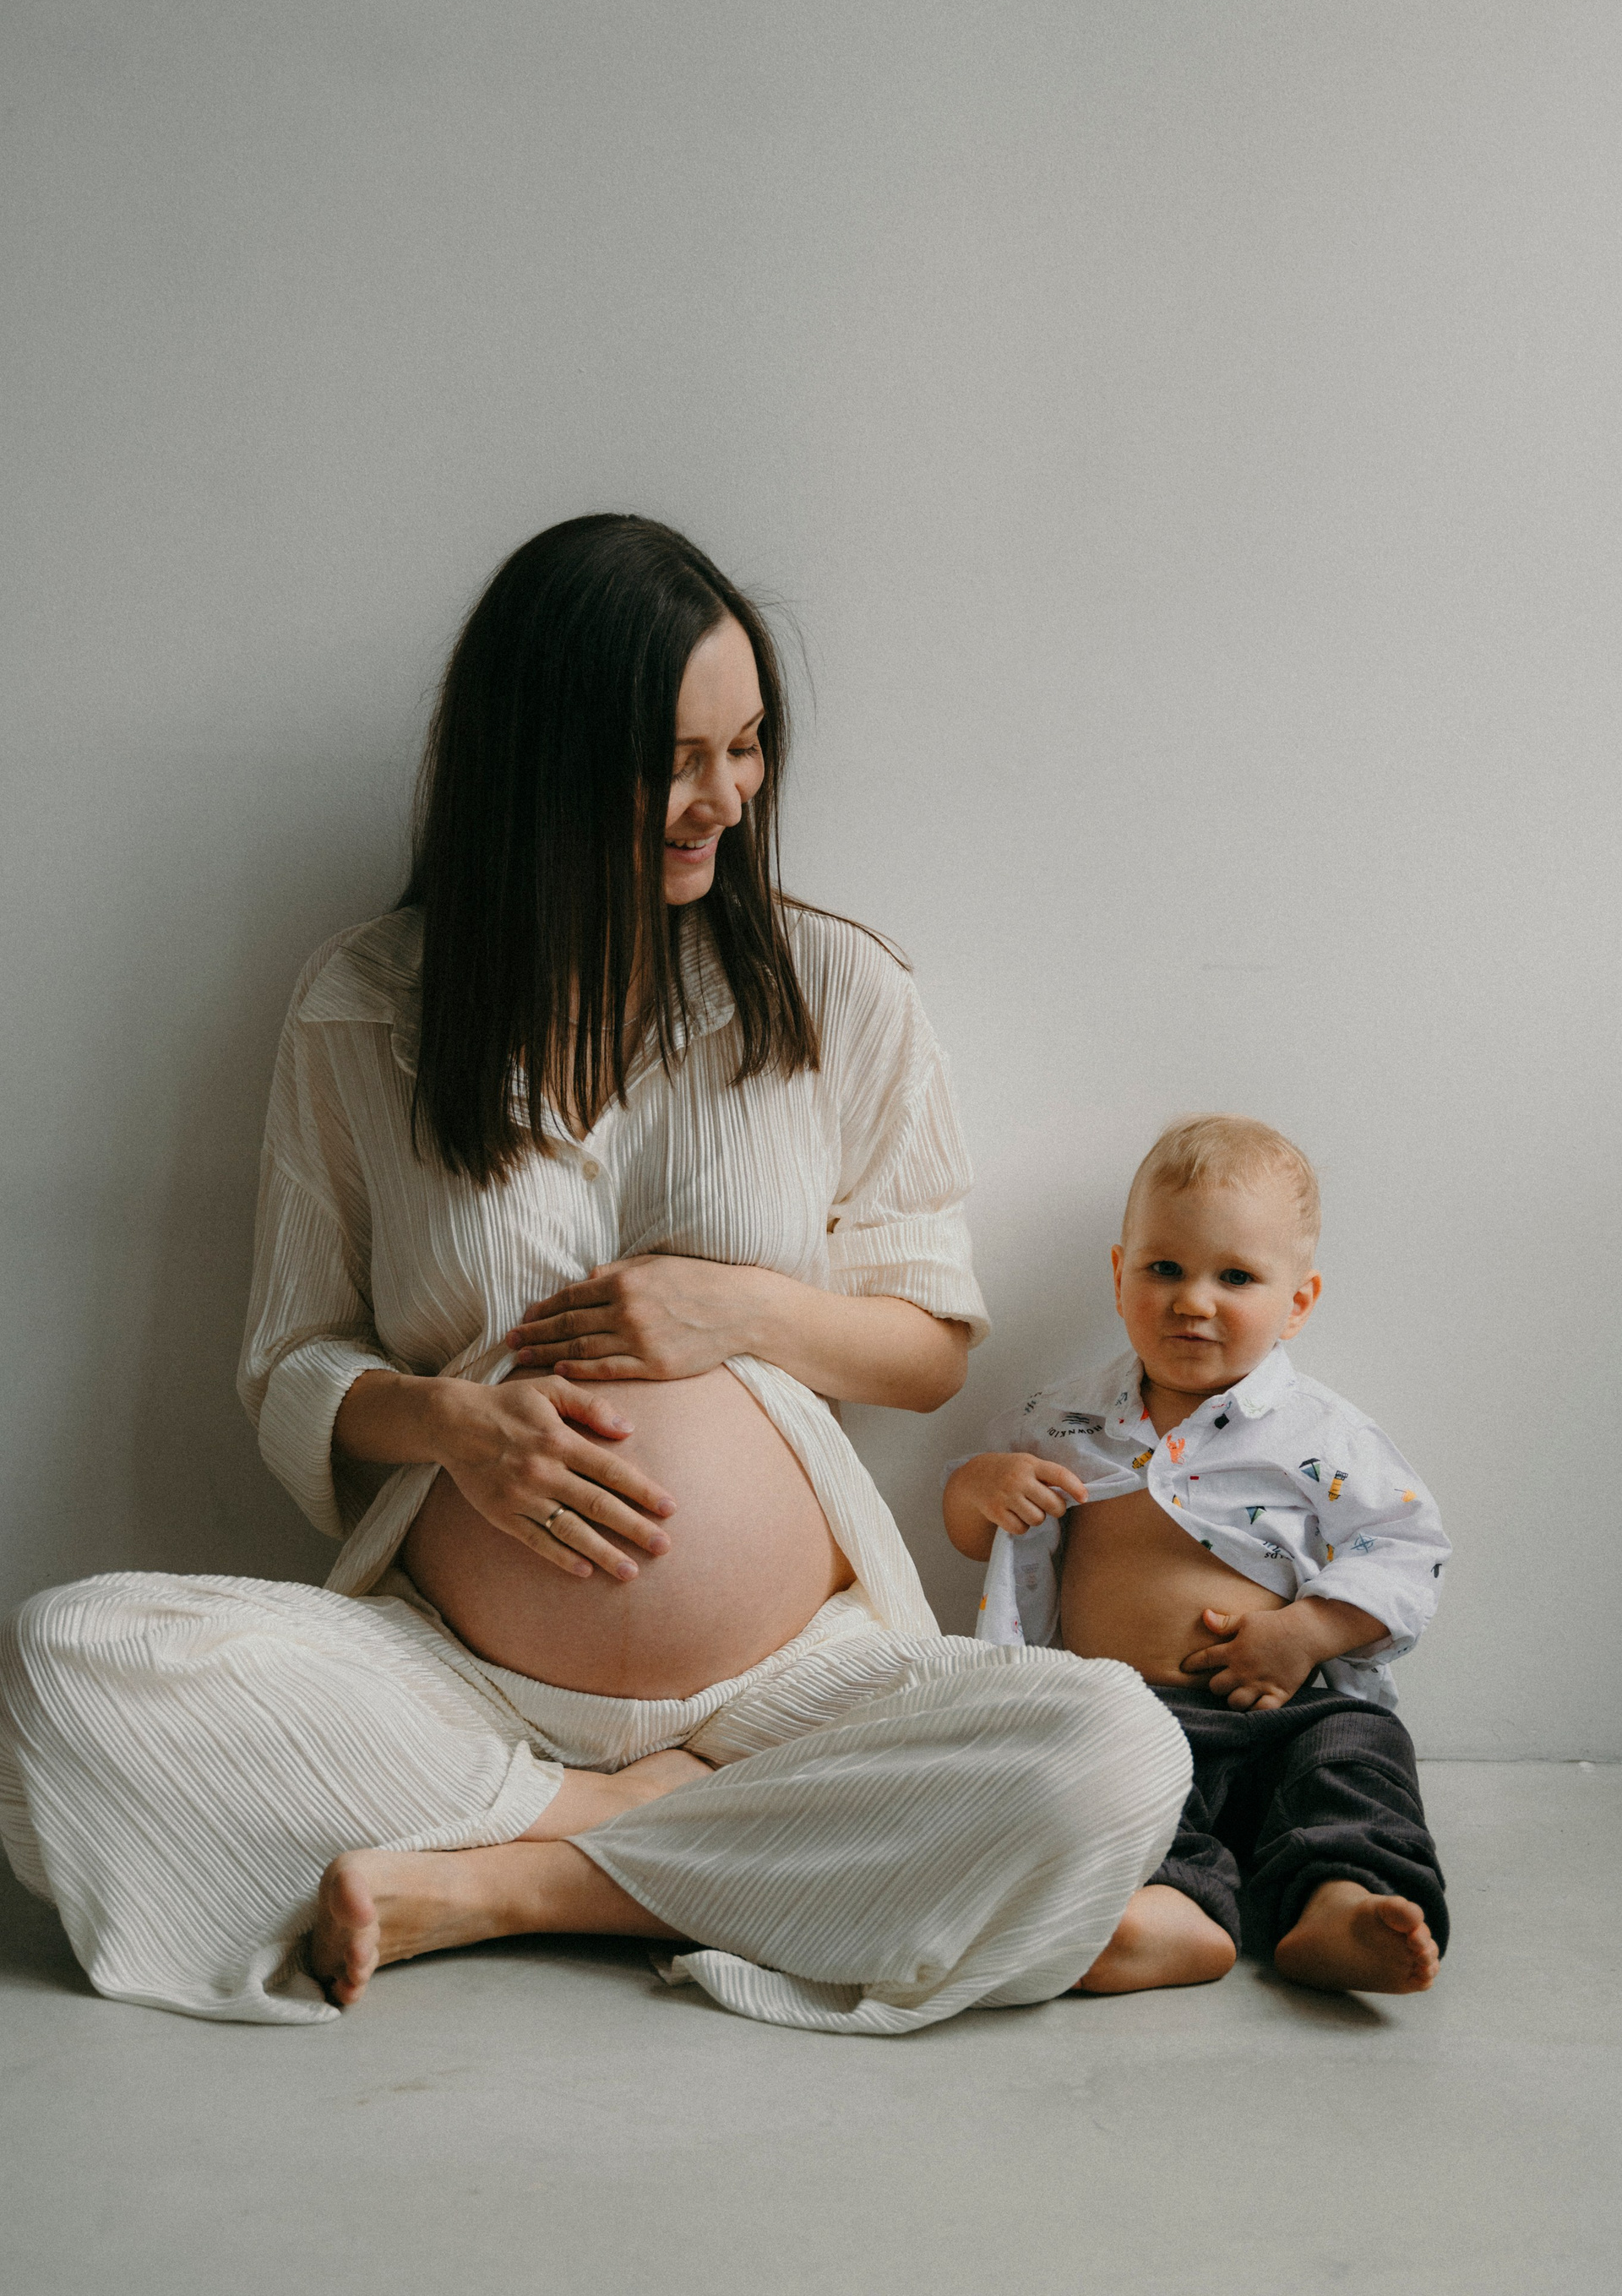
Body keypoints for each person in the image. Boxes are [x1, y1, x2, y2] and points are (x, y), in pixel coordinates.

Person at [0, 514, 1190, 2034]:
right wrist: (454, 1426)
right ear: (543, 758)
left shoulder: (840, 988)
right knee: (63, 1670)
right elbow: (292, 1358)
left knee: (1116, 1751)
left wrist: (741, 1309)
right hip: (455, 1684)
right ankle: (667, 1836)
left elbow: (926, 1344)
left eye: (747, 748)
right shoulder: (365, 1004)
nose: (727, 798)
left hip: (786, 1691)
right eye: (677, 759)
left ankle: (513, 1886)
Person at [944, 1115, 1451, 1998]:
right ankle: (1177, 1912)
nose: (1193, 1301)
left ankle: (1340, 1898)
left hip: (1283, 1710)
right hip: (1124, 1717)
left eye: (1237, 1277)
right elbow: (979, 1535)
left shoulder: (1321, 1434)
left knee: (1355, 1754)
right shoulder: (1062, 1422)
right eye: (1165, 1269)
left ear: (1298, 1302)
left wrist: (1307, 1632)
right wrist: (978, 1486)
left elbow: (1407, 1549)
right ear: (1120, 1275)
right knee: (1099, 1797)